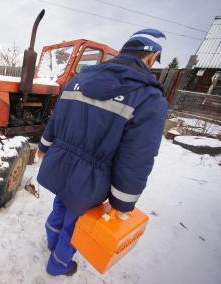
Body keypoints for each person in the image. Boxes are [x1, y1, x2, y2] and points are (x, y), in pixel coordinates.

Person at [36, 29, 168, 276]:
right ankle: (58, 265)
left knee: (60, 205)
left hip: (60, 164)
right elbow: (136, 157)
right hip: (90, 179)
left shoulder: (77, 80)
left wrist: (44, 147)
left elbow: (56, 118)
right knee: (75, 222)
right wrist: (122, 203)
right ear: (151, 57)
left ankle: (51, 244)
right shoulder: (148, 98)